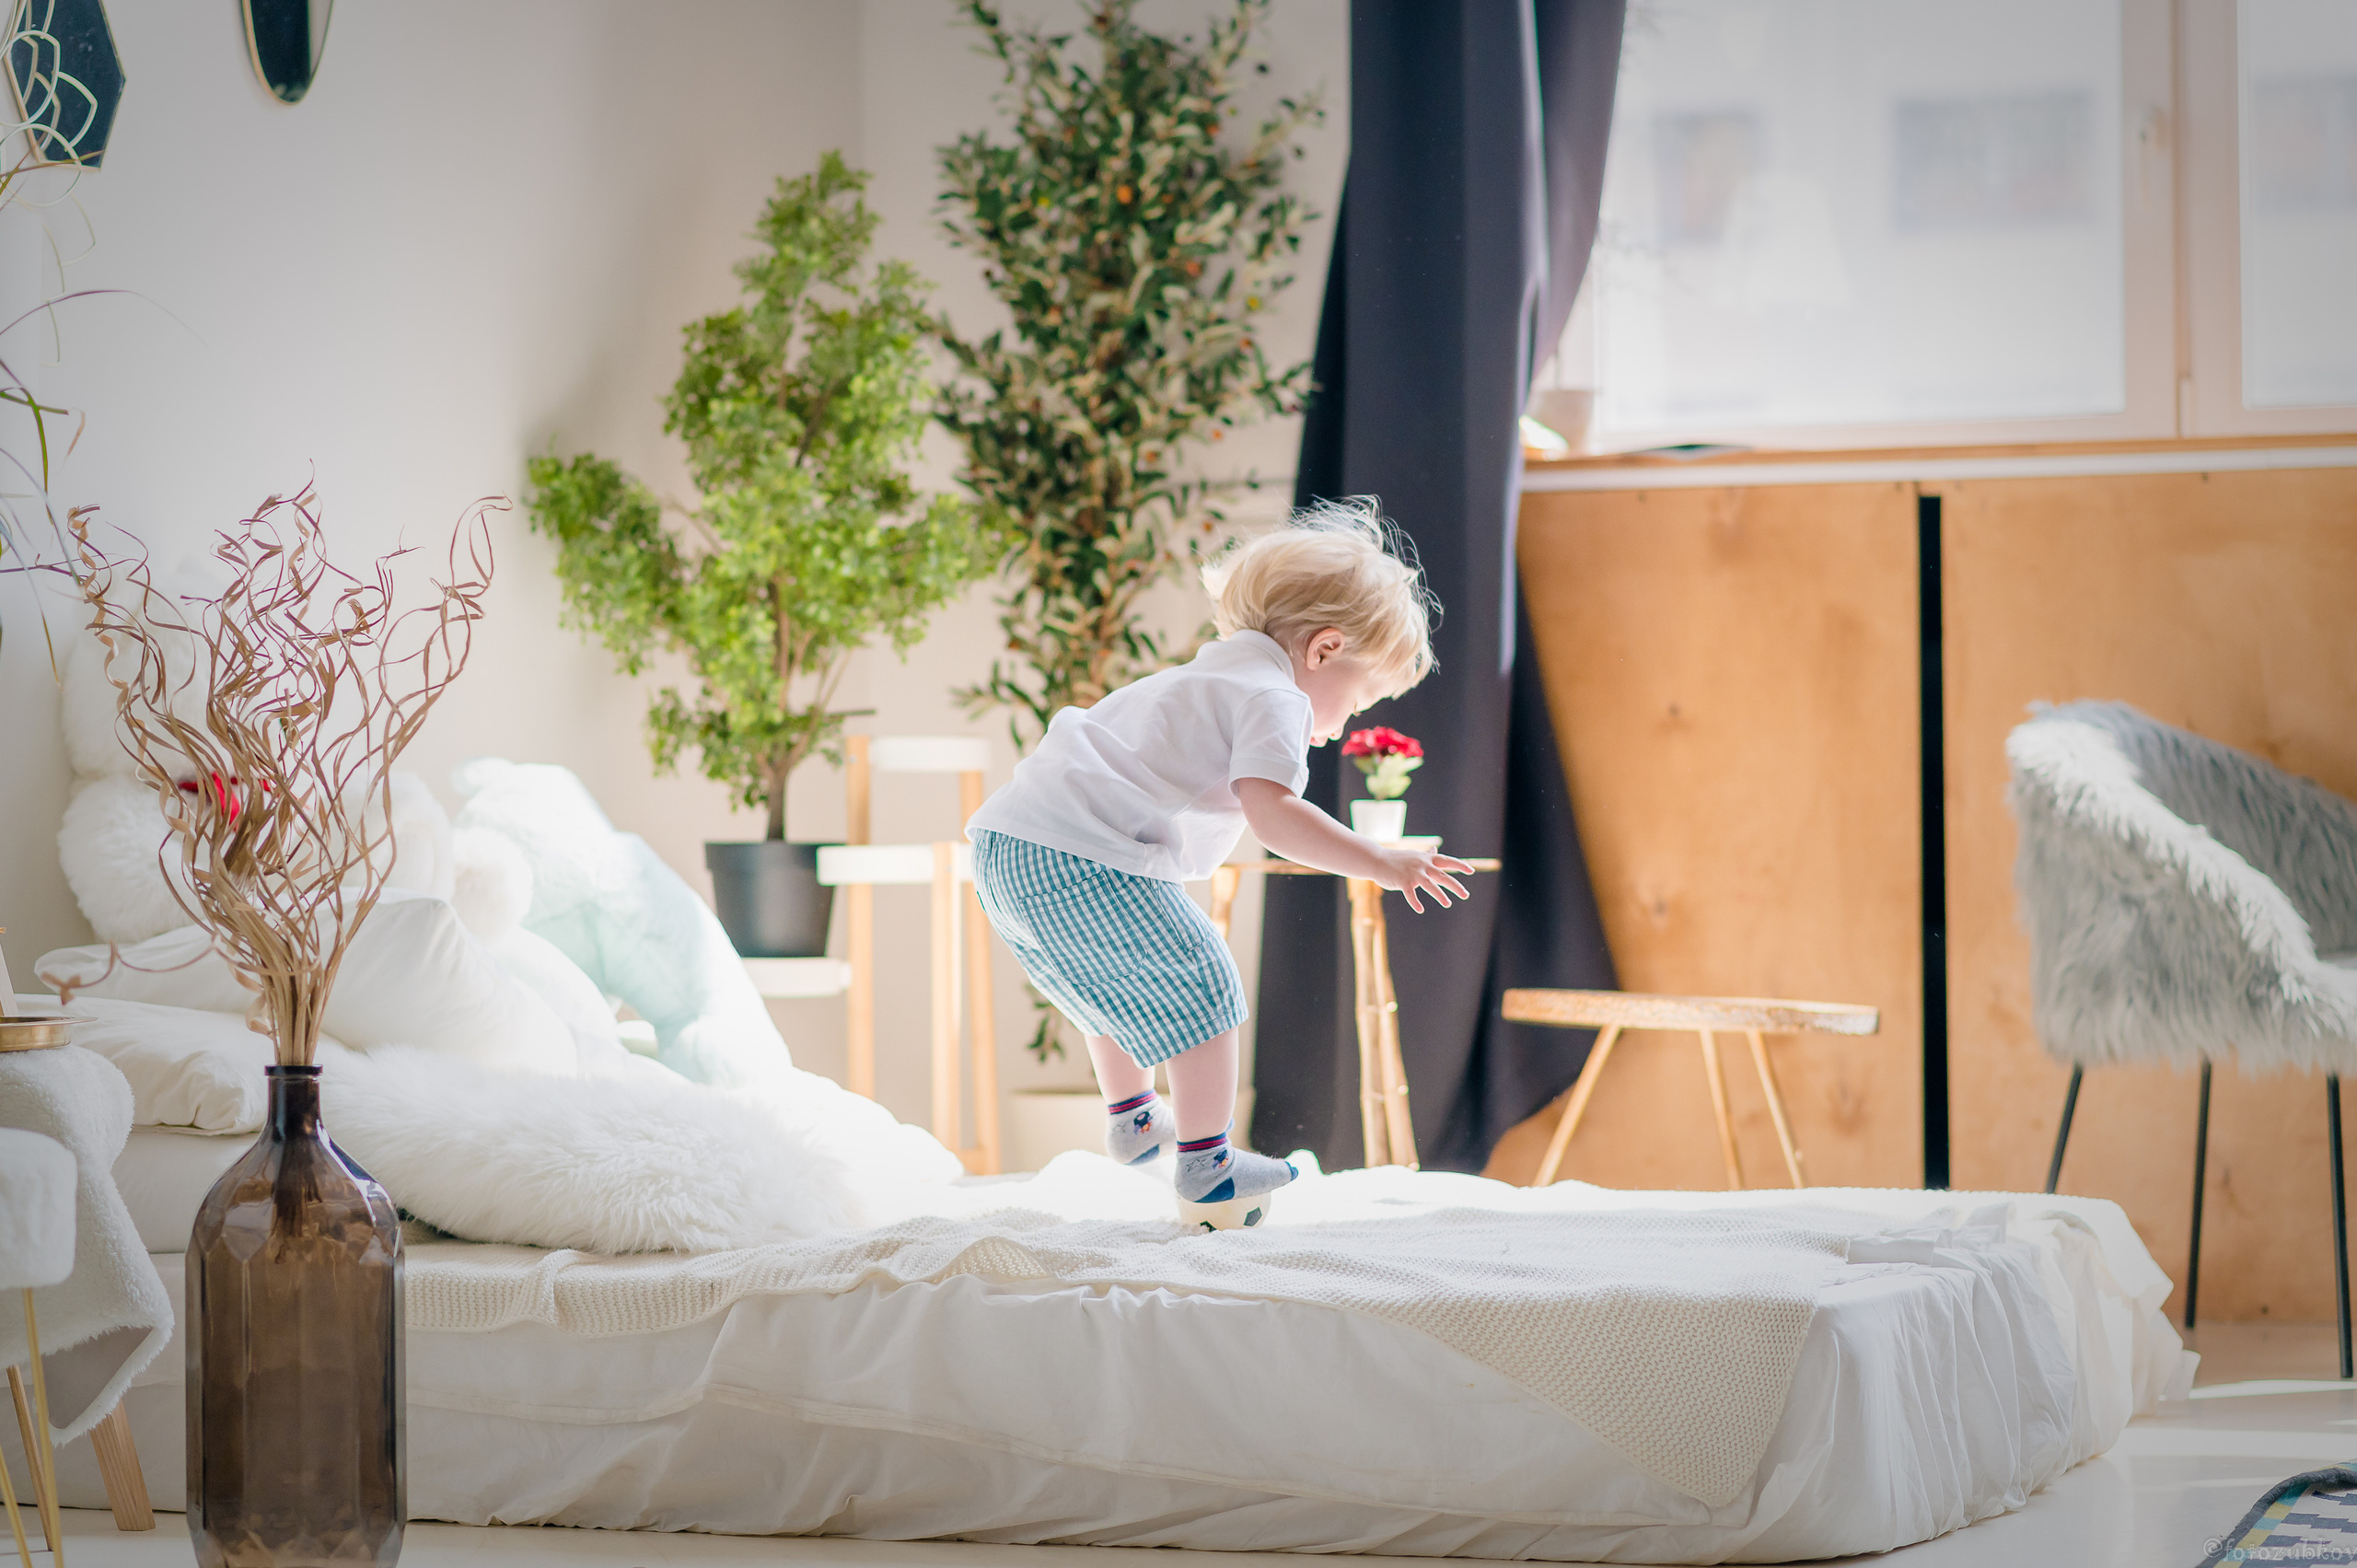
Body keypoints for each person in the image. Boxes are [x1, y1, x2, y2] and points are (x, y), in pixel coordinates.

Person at [965, 498, 1473, 1229]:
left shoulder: (1205, 678)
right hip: (1074, 852)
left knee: (1116, 986)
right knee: (1207, 983)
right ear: (1324, 650)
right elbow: (1274, 815)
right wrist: (1379, 860)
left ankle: (1136, 1116)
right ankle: (1207, 1164)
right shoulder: (1272, 696)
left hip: (1005, 849)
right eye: (1358, 701)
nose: (1341, 728)